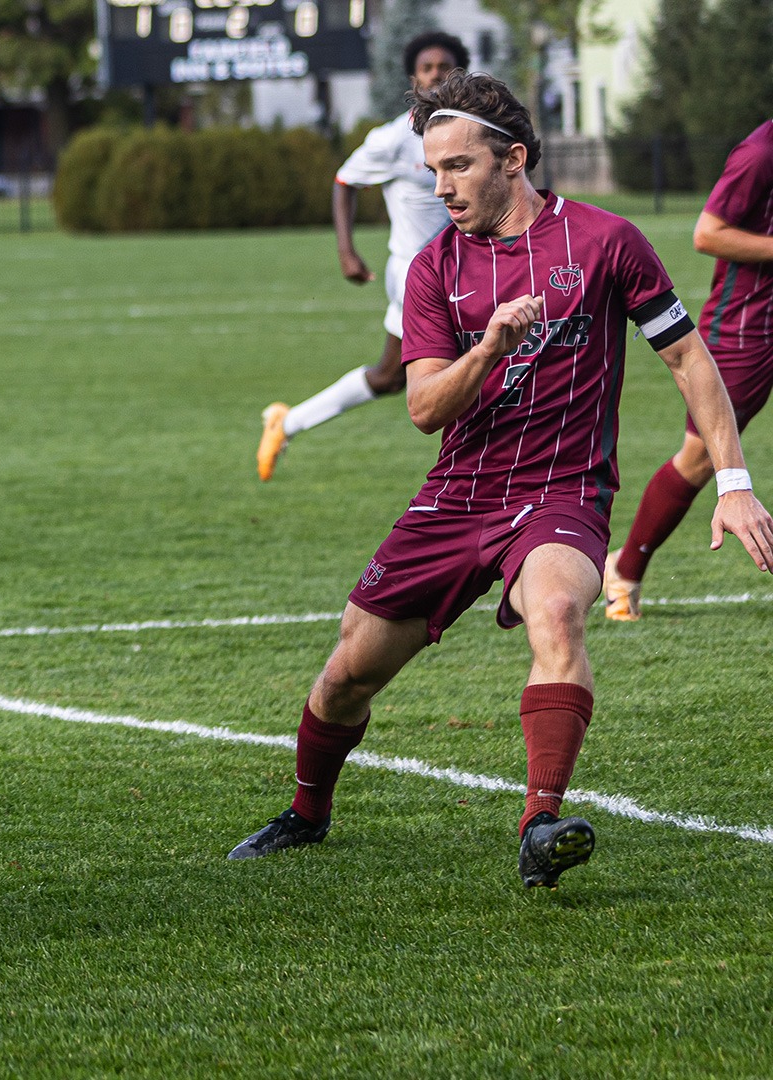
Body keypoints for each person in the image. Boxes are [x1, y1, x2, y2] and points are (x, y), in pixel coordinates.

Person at [227, 72, 773, 886]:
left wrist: (732, 479)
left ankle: (541, 824)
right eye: (431, 169)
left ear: (512, 159)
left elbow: (690, 358)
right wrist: (487, 350)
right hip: (459, 496)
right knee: (346, 675)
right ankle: (307, 813)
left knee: (557, 612)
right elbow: (421, 408)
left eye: (456, 166)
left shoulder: (604, 241)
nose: (438, 185)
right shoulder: (432, 270)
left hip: (563, 493)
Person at [256, 32, 467, 481]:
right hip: (417, 276)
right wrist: (346, 251)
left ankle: (286, 422)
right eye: (426, 68)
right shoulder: (393, 138)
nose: (435, 75)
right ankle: (478, 477)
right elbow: (345, 181)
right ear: (413, 77)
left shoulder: (473, 134)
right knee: (474, 366)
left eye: (444, 67)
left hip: (464, 271)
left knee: (390, 376)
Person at [605, 119, 773, 619]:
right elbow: (708, 233)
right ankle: (626, 569)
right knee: (702, 458)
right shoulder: (760, 153)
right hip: (749, 325)